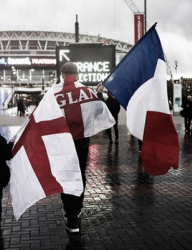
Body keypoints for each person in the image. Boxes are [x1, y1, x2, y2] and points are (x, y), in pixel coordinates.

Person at [53, 62, 114, 234]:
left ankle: (71, 217)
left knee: (65, 176)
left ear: (62, 74)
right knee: (79, 173)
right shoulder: (87, 92)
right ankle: (77, 207)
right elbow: (99, 111)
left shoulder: (53, 93)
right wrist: (99, 94)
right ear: (77, 75)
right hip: (81, 141)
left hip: (62, 142)